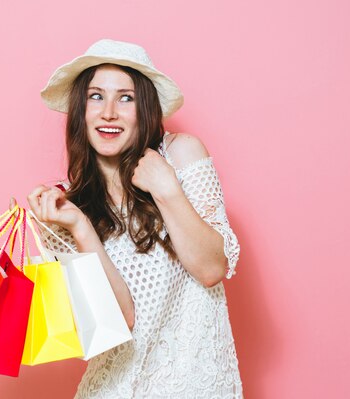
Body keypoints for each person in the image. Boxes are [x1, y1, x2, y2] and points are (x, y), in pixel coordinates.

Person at [26, 39, 243, 398]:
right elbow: (120, 320)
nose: (108, 112)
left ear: (144, 109)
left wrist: (167, 189)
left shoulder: (180, 155)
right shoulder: (64, 211)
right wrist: (80, 227)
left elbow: (211, 269)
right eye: (96, 96)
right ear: (81, 110)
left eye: (125, 98)